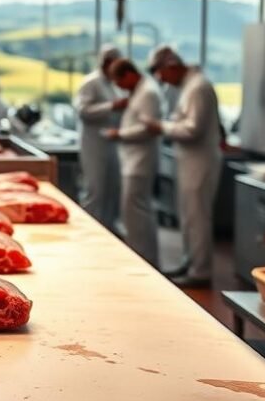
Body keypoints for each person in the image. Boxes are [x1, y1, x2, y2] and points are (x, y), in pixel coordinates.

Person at [144, 44, 222, 288]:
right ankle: (190, 262)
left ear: (172, 66)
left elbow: (193, 129)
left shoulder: (198, 87)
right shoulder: (189, 87)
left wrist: (162, 127)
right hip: (189, 160)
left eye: (161, 73)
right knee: (188, 217)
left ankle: (200, 270)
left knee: (197, 217)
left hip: (200, 161)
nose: (161, 79)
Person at [104, 59, 162, 266]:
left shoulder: (148, 93)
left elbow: (148, 128)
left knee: (136, 211)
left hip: (140, 160)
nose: (119, 87)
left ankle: (144, 259)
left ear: (129, 74)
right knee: (134, 210)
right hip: (133, 159)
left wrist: (120, 134)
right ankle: (141, 256)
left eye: (118, 81)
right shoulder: (140, 91)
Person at [75, 46, 127, 231]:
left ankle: (107, 229)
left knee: (111, 190)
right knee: (95, 190)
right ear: (106, 63)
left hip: (111, 145)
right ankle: (87, 231)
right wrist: (111, 106)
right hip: (94, 145)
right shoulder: (91, 83)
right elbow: (83, 110)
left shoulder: (113, 85)